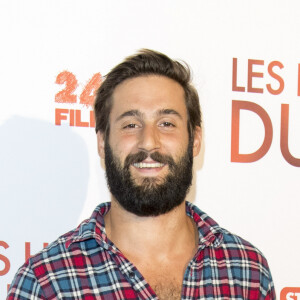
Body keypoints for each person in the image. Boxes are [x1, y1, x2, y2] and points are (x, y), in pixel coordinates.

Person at [7, 49, 276, 300]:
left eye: (167, 123)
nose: (149, 142)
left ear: (195, 140)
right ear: (102, 142)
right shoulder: (46, 283)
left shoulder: (247, 271)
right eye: (131, 124)